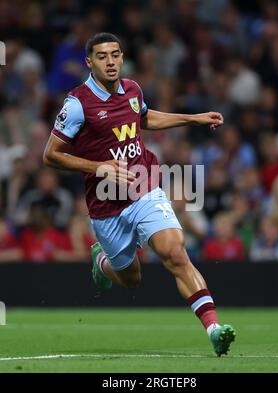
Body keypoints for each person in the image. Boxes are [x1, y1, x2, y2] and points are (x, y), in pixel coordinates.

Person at [43, 32, 235, 356]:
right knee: (131, 279)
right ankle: (101, 263)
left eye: (115, 54)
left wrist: (192, 118)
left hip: (144, 186)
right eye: (102, 56)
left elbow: (145, 117)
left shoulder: (132, 89)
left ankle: (214, 328)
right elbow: (51, 154)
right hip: (105, 204)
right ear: (89, 62)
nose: (111, 61)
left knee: (175, 252)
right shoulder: (77, 104)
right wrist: (97, 167)